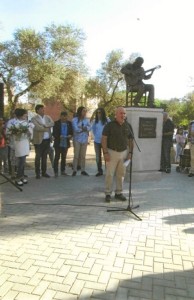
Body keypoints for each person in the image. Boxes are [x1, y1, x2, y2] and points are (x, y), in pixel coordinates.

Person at [101, 106, 134, 202]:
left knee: (121, 174)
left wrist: (130, 153)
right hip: (111, 152)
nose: (123, 115)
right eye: (121, 113)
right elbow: (104, 139)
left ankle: (119, 192)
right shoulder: (109, 125)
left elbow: (131, 141)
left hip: (124, 153)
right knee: (109, 174)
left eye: (124, 113)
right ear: (116, 115)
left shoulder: (128, 126)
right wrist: (105, 153)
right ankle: (108, 193)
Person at [6, 109, 31, 186]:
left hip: (25, 143)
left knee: (23, 161)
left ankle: (22, 176)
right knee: (20, 161)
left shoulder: (26, 123)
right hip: (17, 144)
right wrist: (16, 132)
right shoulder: (12, 123)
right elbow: (8, 133)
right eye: (25, 114)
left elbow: (30, 133)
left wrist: (29, 132)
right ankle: (17, 178)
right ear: (20, 115)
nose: (26, 116)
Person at [31, 104, 54, 179]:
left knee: (44, 157)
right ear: (37, 110)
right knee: (38, 157)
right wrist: (47, 127)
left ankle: (44, 172)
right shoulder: (34, 118)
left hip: (47, 139)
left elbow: (52, 123)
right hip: (38, 140)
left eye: (43, 109)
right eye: (41, 109)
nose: (43, 110)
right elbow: (37, 128)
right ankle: (37, 173)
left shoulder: (47, 117)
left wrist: (44, 125)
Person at [72, 106, 91, 176]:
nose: (85, 112)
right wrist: (84, 128)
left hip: (84, 139)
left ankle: (83, 170)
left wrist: (82, 128)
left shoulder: (87, 120)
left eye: (86, 111)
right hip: (77, 139)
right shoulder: (74, 120)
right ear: (80, 111)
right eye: (83, 111)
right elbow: (76, 129)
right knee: (76, 155)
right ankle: (74, 169)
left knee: (83, 156)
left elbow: (89, 128)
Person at [53, 111, 73, 177]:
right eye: (63, 116)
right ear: (60, 116)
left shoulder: (69, 123)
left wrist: (70, 135)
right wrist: (59, 136)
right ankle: (55, 171)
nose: (64, 118)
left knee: (64, 157)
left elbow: (71, 132)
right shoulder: (56, 123)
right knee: (57, 157)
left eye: (65, 116)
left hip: (65, 142)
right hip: (58, 142)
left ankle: (63, 171)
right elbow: (54, 133)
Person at [92, 108, 110, 176]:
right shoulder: (95, 121)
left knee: (106, 155)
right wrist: (97, 135)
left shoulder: (107, 120)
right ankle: (100, 171)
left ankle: (107, 170)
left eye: (100, 112)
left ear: (102, 113)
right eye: (97, 112)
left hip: (105, 141)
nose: (98, 114)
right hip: (97, 141)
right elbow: (93, 130)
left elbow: (110, 129)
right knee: (98, 157)